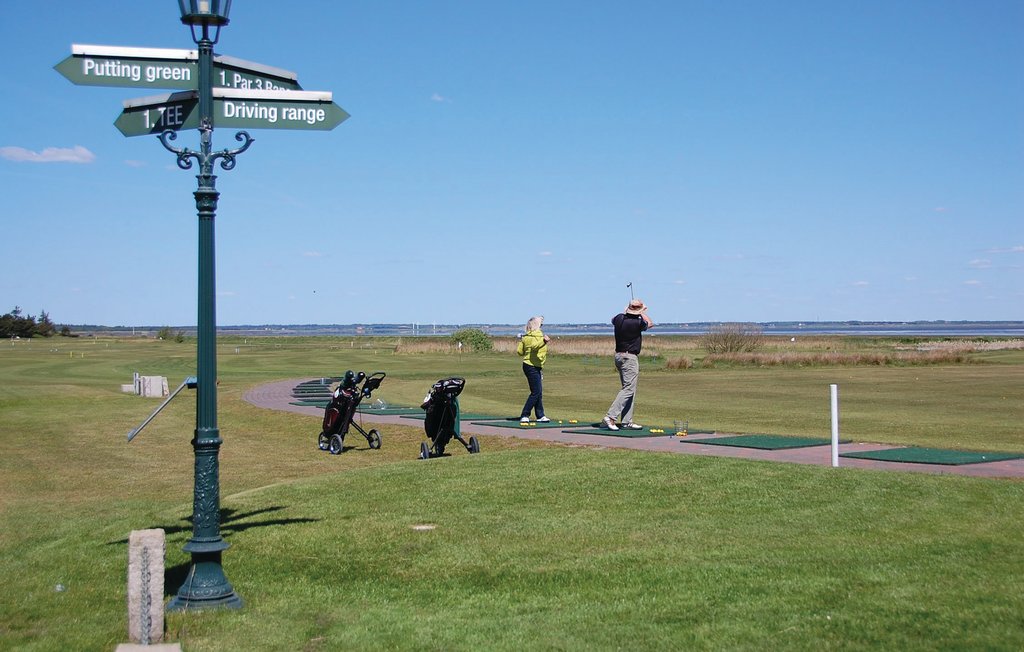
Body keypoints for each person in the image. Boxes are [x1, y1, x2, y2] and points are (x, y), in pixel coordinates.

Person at [604, 299, 653, 431]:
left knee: (630, 389)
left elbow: (613, 318)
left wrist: (630, 310)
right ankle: (611, 416)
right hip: (629, 358)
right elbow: (650, 324)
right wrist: (642, 312)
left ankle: (626, 421)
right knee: (628, 389)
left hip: (619, 356)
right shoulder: (638, 322)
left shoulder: (619, 318)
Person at [517, 316, 551, 423]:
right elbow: (535, 346)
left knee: (538, 392)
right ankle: (525, 414)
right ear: (537, 326)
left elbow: (520, 352)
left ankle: (540, 415)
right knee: (536, 392)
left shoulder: (526, 336)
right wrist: (544, 342)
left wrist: (521, 341)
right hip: (531, 366)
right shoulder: (537, 336)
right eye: (541, 324)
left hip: (533, 366)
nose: (542, 327)